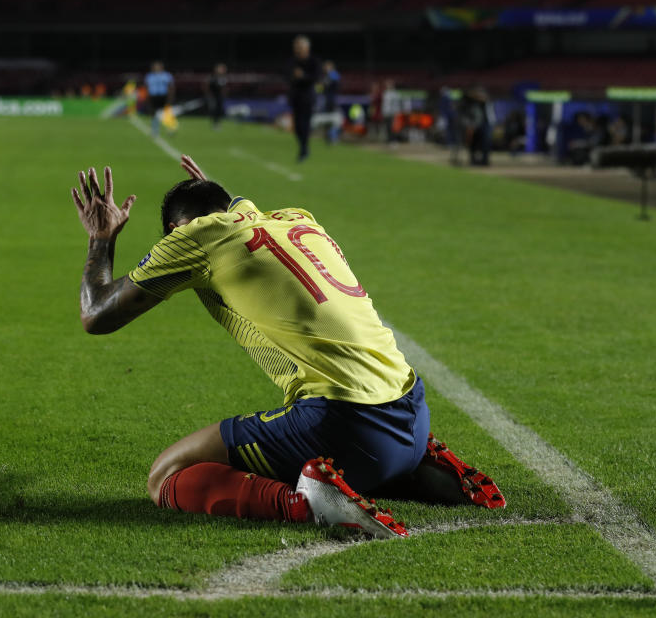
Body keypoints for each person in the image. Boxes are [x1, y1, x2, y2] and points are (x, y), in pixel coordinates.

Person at [69, 155, 506, 539]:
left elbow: (97, 314)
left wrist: (101, 238)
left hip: (346, 425)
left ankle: (308, 503)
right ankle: (422, 470)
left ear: (174, 230)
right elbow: (234, 214)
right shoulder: (297, 217)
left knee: (167, 474)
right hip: (413, 412)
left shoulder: (195, 238)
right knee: (365, 431)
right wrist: (215, 199)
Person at [288, 36, 320, 162]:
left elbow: (315, 77)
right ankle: (303, 147)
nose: (297, 49)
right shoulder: (292, 62)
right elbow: (286, 75)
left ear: (306, 48)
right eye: (296, 47)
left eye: (300, 47)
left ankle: (304, 148)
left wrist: (302, 76)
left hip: (307, 98)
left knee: (305, 124)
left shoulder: (314, 61)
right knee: (297, 127)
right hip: (295, 97)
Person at [144, 61, 175, 137]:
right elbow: (146, 87)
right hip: (153, 96)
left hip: (164, 96)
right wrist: (147, 98)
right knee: (153, 114)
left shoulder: (167, 75)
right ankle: (155, 130)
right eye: (155, 66)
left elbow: (171, 87)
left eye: (158, 66)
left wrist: (170, 97)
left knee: (167, 113)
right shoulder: (149, 76)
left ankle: (170, 129)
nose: (156, 68)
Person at [321, 60, 341, 144]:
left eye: (326, 66)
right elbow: (322, 87)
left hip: (331, 100)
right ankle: (328, 136)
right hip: (327, 100)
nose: (325, 68)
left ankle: (333, 137)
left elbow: (335, 83)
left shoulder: (333, 75)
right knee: (327, 119)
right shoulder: (327, 76)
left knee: (333, 119)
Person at [204, 63, 228, 129]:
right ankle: (214, 123)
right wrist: (209, 95)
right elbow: (207, 87)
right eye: (220, 69)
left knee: (219, 110)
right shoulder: (212, 77)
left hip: (220, 97)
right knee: (214, 110)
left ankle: (218, 123)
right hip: (213, 97)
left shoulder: (223, 78)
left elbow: (224, 88)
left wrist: (224, 94)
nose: (222, 70)